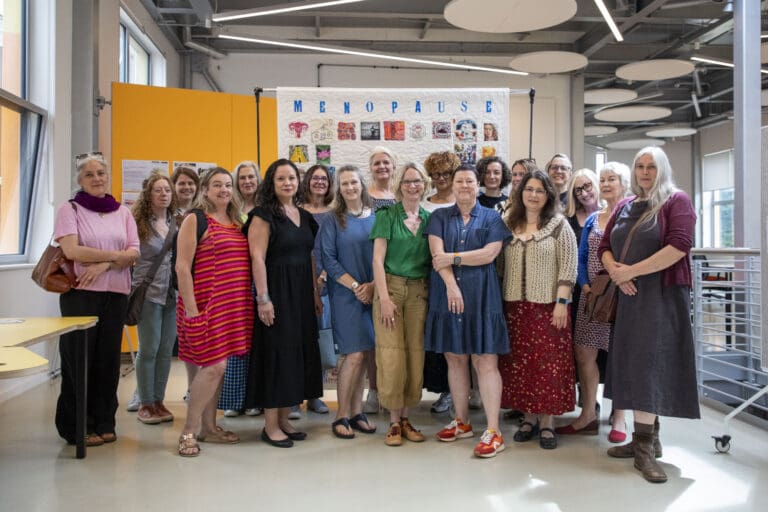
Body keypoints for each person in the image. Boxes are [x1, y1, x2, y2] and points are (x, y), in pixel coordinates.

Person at [599, 147, 699, 483]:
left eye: (651, 167)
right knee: (634, 365)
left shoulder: (677, 201)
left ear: (663, 169)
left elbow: (679, 246)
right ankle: (647, 439)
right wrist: (617, 274)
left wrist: (632, 272)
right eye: (640, 166)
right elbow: (604, 247)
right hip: (629, 299)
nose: (644, 172)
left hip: (661, 298)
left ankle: (643, 449)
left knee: (650, 366)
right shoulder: (625, 205)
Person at [425, 164, 512, 458]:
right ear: (452, 185)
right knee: (455, 358)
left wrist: (453, 257)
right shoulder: (439, 217)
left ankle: (493, 430)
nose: (464, 185)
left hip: (483, 297)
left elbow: (489, 254)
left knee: (485, 360)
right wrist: (451, 286)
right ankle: (461, 422)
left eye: (469, 181)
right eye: (459, 181)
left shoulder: (492, 217)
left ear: (478, 185)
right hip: (448, 297)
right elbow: (436, 256)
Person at [55, 152, 140, 446]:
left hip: (116, 295)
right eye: (89, 174)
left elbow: (134, 252)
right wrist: (116, 257)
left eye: (101, 173)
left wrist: (104, 264)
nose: (96, 179)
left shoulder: (123, 213)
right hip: (81, 295)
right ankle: (76, 425)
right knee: (79, 361)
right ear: (80, 180)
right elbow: (72, 250)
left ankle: (104, 421)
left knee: (108, 362)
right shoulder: (70, 209)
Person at [244, 159, 324, 448]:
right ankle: (270, 425)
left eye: (291, 178)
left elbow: (310, 256)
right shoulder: (263, 215)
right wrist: (263, 299)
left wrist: (314, 293)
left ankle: (283, 419)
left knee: (296, 354)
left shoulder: (304, 215)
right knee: (276, 355)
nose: (287, 183)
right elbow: (257, 258)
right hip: (277, 292)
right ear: (272, 183)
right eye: (281, 178)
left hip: (301, 294)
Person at [175, 167, 254, 457]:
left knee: (220, 369)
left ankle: (209, 427)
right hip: (204, 305)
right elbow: (182, 267)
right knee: (214, 367)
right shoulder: (195, 219)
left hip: (232, 307)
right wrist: (192, 311)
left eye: (228, 185)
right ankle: (189, 430)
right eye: (217, 185)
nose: (224, 190)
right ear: (205, 190)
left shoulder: (237, 221)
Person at [499, 169, 577, 450]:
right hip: (514, 307)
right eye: (529, 189)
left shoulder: (558, 225)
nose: (533, 195)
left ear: (548, 195)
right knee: (521, 364)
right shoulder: (508, 223)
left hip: (548, 308)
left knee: (547, 365)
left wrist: (561, 303)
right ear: (521, 193)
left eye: (540, 191)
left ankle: (547, 421)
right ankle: (528, 417)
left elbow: (569, 266)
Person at [557, 162, 630, 441]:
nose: (606, 184)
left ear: (623, 183)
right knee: (584, 353)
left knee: (620, 355)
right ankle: (588, 414)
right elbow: (581, 258)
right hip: (593, 297)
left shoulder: (632, 215)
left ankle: (619, 418)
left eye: (611, 179)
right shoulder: (592, 220)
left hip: (625, 295)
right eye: (603, 179)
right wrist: (586, 288)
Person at [370, 163, 432, 446]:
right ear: (399, 186)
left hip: (418, 292)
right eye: (407, 181)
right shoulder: (387, 216)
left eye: (417, 181)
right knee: (391, 355)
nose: (412, 186)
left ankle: (406, 419)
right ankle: (393, 422)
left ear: (424, 185)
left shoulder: (430, 220)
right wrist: (384, 298)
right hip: (391, 290)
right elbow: (377, 260)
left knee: (414, 354)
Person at [319, 165, 377, 439]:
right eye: (344, 184)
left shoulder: (376, 216)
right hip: (346, 295)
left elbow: (384, 254)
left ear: (362, 184)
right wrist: (356, 287)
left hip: (372, 293)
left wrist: (372, 286)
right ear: (339, 189)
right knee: (352, 354)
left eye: (354, 182)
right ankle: (341, 414)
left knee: (364, 354)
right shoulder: (332, 220)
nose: (350, 187)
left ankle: (357, 411)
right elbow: (328, 260)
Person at [131, 173, 178, 425]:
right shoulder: (138, 223)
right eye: (158, 190)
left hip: (171, 293)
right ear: (148, 194)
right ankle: (145, 403)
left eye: (167, 190)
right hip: (147, 293)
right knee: (148, 349)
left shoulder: (177, 222)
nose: (163, 194)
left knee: (165, 350)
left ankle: (159, 401)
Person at [220, 160, 263, 418]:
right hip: (235, 280)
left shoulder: (266, 208)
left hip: (261, 279)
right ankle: (234, 399)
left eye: (251, 177)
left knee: (258, 340)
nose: (247, 181)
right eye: (243, 177)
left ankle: (256, 398)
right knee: (236, 339)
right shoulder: (229, 209)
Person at [421, 151, 461, 414]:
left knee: (459, 334)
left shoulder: (464, 201)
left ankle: (464, 391)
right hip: (431, 274)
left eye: (446, 173)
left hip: (463, 274)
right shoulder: (425, 205)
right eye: (436, 174)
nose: (441, 178)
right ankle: (446, 390)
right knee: (439, 336)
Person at [294, 163, 335, 416]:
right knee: (297, 340)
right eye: (315, 178)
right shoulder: (296, 212)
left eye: (324, 179)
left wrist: (324, 276)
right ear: (307, 181)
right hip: (299, 282)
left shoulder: (334, 213)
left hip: (326, 285)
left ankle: (315, 395)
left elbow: (335, 248)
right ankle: (292, 396)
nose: (319, 182)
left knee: (319, 340)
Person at [363, 147, 397, 413]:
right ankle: (374, 391)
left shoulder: (401, 197)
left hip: (395, 274)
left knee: (392, 339)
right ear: (370, 168)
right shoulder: (364, 198)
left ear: (393, 167)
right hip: (366, 269)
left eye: (386, 162)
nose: (382, 167)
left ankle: (393, 392)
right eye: (377, 163)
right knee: (371, 341)